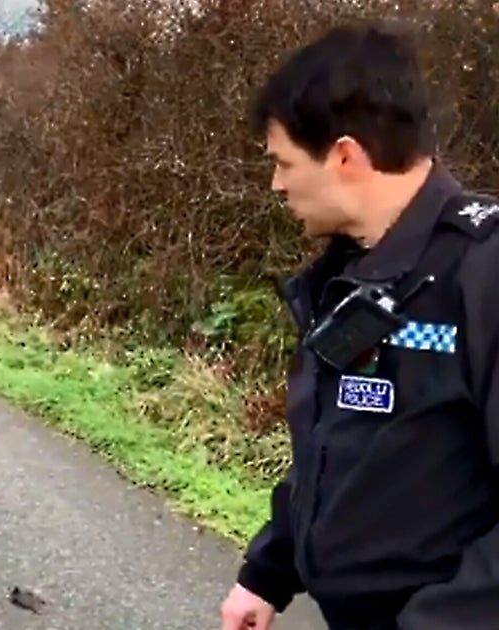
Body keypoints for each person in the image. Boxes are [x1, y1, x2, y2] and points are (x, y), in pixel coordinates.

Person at [219, 20, 498, 630]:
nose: (277, 183)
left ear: (344, 155)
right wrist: (266, 573)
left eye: (284, 162)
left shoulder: (483, 271)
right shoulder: (350, 276)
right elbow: (335, 446)